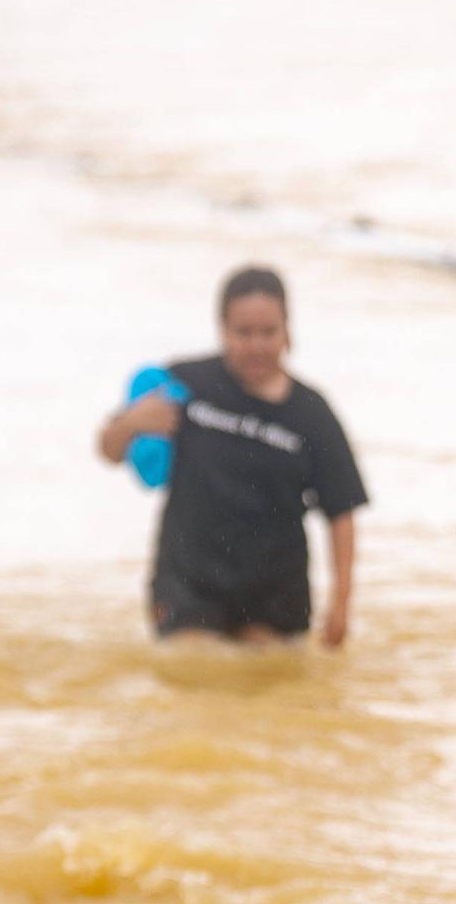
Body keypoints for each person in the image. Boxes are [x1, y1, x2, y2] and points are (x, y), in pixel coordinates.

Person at [96, 266, 368, 647]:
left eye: (268, 332)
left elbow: (342, 510)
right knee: (194, 678)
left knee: (270, 692)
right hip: (189, 586)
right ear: (222, 330)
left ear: (288, 330)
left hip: (275, 594)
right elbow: (108, 452)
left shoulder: (311, 413)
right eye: (243, 333)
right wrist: (129, 423)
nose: (256, 345)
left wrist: (341, 604)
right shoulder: (184, 384)